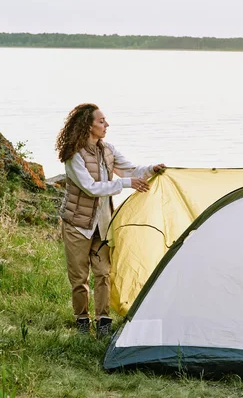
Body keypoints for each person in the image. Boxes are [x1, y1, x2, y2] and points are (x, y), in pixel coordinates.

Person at [55, 103, 166, 338]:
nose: (107, 125)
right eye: (101, 121)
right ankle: (82, 323)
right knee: (79, 278)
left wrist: (152, 169)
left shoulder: (108, 150)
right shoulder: (73, 156)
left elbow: (131, 171)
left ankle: (103, 323)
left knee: (103, 273)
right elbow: (90, 188)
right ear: (88, 125)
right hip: (77, 225)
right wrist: (126, 184)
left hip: (102, 225)